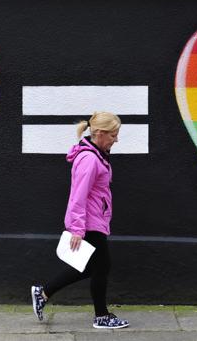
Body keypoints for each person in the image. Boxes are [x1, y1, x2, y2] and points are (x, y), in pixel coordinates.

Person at [31, 111, 129, 329]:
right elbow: (78, 195)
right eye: (113, 135)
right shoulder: (89, 160)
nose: (116, 139)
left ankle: (43, 292)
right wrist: (77, 228)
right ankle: (101, 316)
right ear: (101, 134)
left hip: (95, 218)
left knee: (91, 267)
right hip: (90, 222)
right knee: (101, 267)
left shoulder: (97, 156)